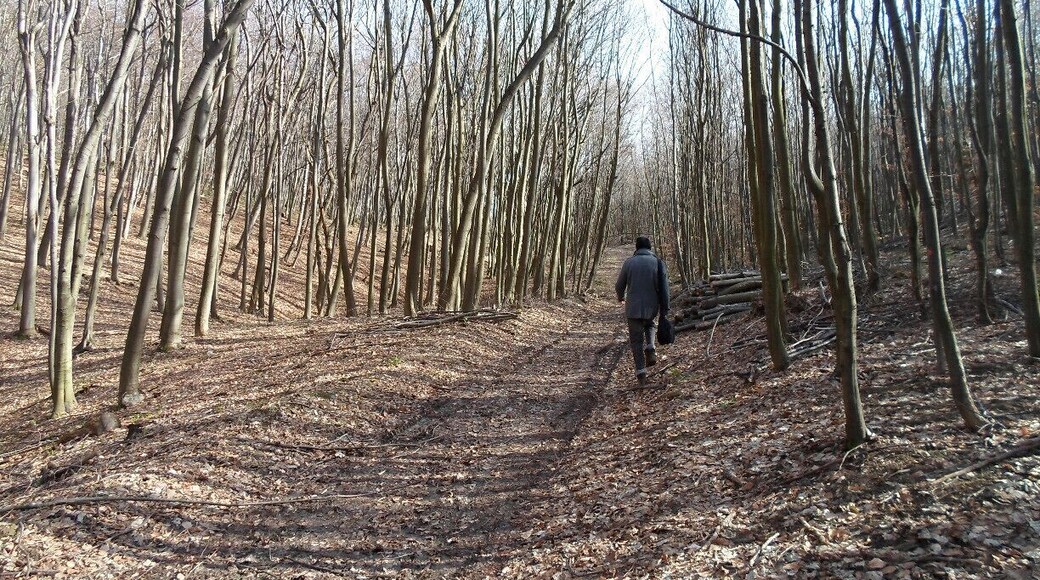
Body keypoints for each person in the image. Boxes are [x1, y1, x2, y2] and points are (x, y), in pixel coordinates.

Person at [615, 236, 670, 385]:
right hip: (652, 306)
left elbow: (619, 285)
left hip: (632, 308)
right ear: (650, 248)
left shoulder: (629, 263)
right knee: (650, 324)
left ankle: (641, 373)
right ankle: (651, 346)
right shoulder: (658, 263)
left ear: (636, 248)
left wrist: (621, 297)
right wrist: (665, 307)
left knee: (636, 341)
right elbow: (664, 287)